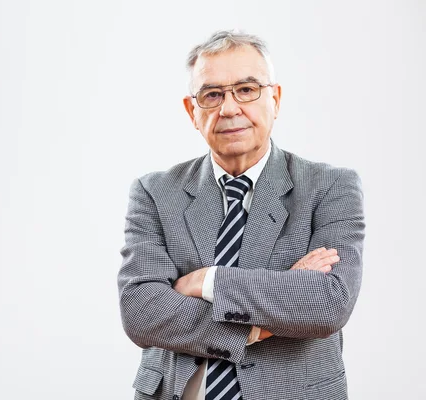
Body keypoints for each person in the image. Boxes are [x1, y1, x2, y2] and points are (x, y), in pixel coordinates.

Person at [117, 30, 364, 400]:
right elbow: (141, 310)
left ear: (275, 99)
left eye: (247, 90)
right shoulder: (154, 192)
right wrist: (256, 326)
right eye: (212, 95)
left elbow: (328, 302)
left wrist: (206, 282)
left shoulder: (330, 187)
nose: (229, 108)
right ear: (192, 111)